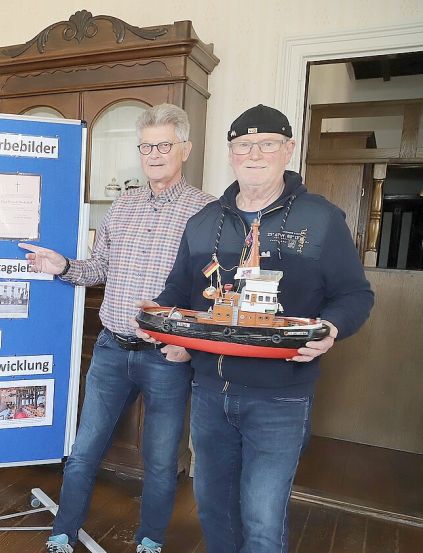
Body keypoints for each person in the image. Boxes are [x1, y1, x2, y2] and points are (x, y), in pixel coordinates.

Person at [143, 104, 374, 553]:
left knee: (263, 517)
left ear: (288, 150)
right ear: (231, 154)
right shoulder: (203, 222)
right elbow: (178, 292)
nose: (254, 153)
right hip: (210, 390)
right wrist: (168, 327)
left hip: (281, 395)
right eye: (243, 145)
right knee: (212, 507)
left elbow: (355, 295)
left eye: (267, 143)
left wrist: (330, 328)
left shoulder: (321, 219)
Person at [21, 104, 215, 553]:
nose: (153, 154)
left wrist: (188, 343)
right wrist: (62, 265)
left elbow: (211, 290)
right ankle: (62, 533)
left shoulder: (205, 211)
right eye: (146, 146)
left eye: (163, 145)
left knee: (161, 460)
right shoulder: (122, 205)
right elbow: (100, 268)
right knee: (84, 448)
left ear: (184, 149)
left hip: (166, 357)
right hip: (111, 349)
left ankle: (150, 540)